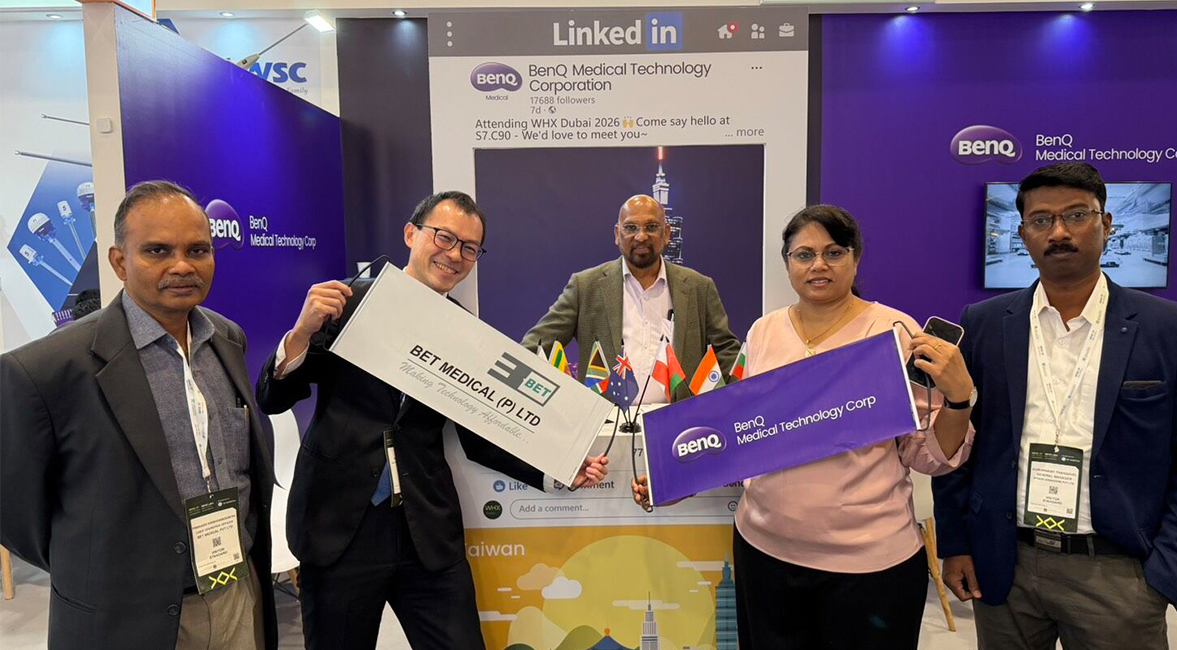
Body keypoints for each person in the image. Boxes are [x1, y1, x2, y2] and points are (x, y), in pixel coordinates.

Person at [256, 190, 609, 650]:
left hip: (426, 531)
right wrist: (301, 333)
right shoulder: (347, 303)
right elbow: (273, 398)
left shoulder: (466, 335)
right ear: (411, 234)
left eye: (470, 248)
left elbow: (482, 433)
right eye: (444, 237)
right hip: (338, 527)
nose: (454, 255)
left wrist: (560, 465)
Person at [633, 205, 976, 648]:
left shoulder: (894, 333)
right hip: (765, 554)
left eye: (834, 253)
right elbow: (741, 435)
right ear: (787, 263)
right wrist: (678, 477)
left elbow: (928, 455)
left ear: (856, 259)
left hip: (869, 567)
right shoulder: (764, 332)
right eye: (804, 255)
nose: (818, 265)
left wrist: (959, 400)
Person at [1, 181, 277, 650]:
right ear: (119, 262)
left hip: (235, 592)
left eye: (198, 250)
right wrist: (98, 566)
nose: (182, 266)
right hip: (126, 615)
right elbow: (17, 515)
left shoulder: (227, 339)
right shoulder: (45, 369)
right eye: (157, 251)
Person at [933, 162, 1177, 649]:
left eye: (1077, 215)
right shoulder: (984, 324)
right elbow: (959, 443)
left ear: (1106, 225)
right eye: (1041, 220)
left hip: (1119, 573)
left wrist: (1168, 571)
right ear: (1023, 235)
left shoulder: (1174, 330)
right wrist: (955, 544)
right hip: (1005, 564)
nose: (1058, 232)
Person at [522, 194, 740, 403]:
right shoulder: (585, 286)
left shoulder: (699, 287)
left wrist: (734, 407)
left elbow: (727, 353)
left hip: (677, 420)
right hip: (607, 420)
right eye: (631, 228)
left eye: (651, 227)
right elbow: (535, 347)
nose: (641, 236)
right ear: (618, 234)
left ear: (667, 233)